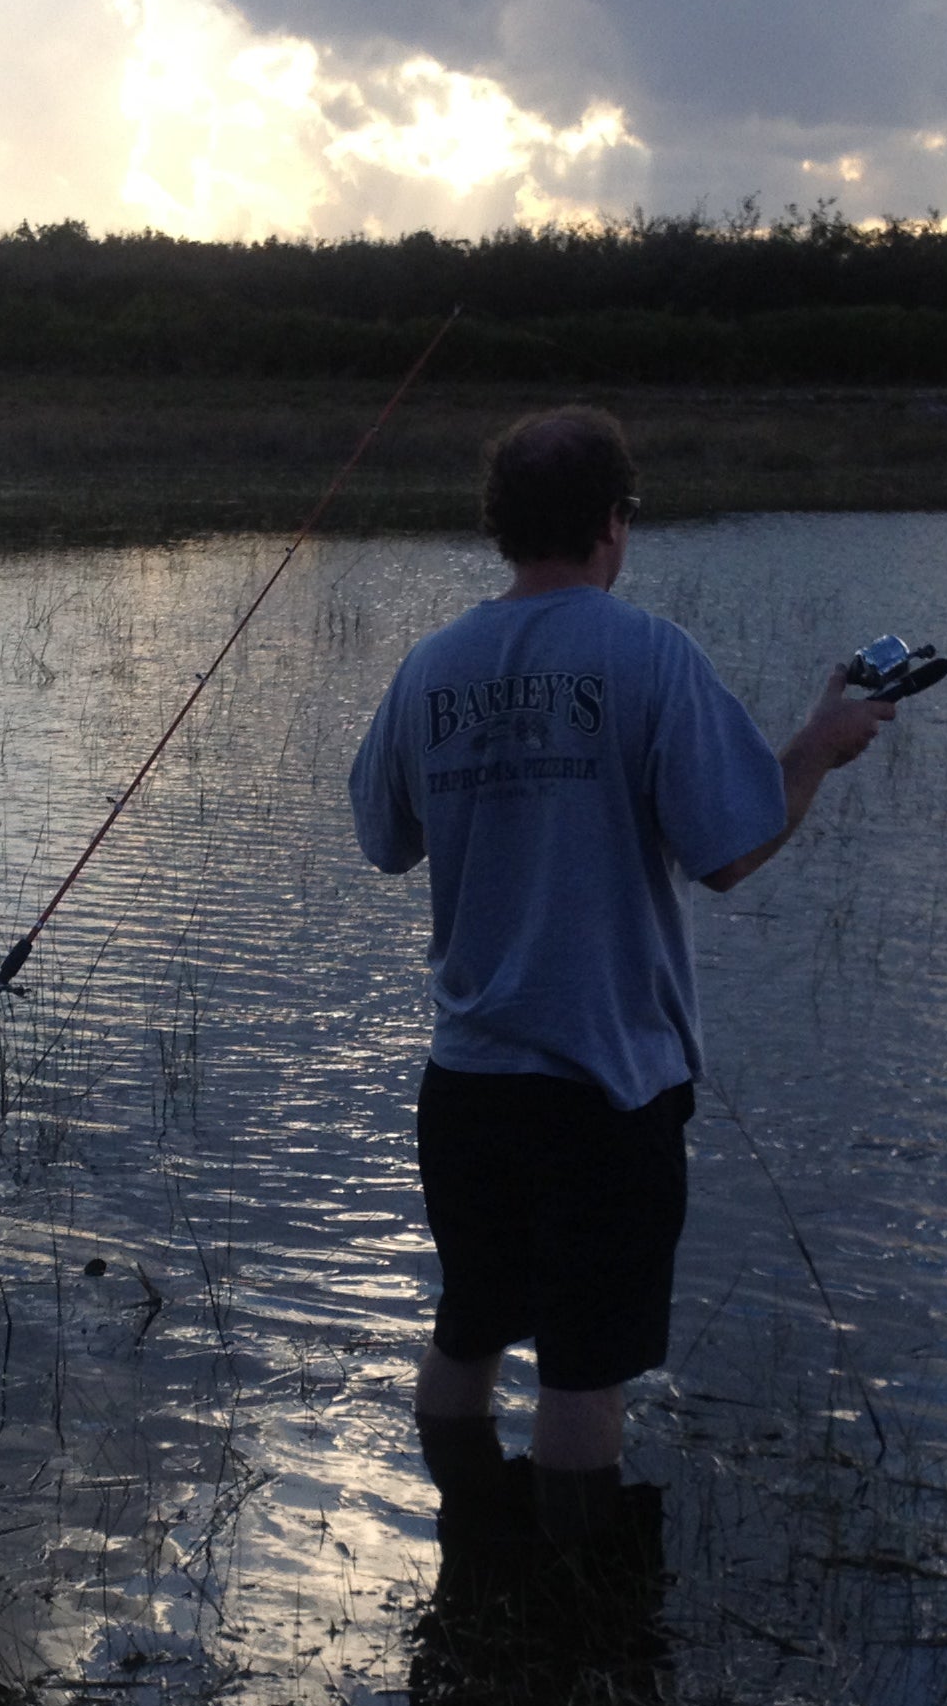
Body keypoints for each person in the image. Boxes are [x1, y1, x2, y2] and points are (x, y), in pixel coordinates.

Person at [347, 405, 894, 1548]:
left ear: (502, 527)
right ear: (613, 523)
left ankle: (475, 1556)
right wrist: (819, 745)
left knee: (469, 1327)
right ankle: (576, 1620)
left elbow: (383, 837)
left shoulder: (431, 665)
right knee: (583, 1374)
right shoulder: (647, 654)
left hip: (467, 1086)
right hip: (607, 1093)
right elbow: (733, 848)